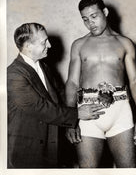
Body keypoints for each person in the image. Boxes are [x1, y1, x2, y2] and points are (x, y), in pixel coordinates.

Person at [65, 0, 136, 168]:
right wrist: (70, 119)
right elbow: (72, 82)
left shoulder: (124, 43)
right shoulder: (79, 45)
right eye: (85, 19)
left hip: (120, 111)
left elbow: (135, 80)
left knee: (128, 170)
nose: (90, 23)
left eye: (94, 16)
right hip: (88, 113)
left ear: (105, 12)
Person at [7, 22, 105, 168]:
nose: (50, 45)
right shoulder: (14, 74)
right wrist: (77, 114)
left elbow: (59, 95)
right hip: (27, 151)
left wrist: (87, 99)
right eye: (44, 42)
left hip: (49, 146)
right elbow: (41, 108)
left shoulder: (43, 66)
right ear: (28, 46)